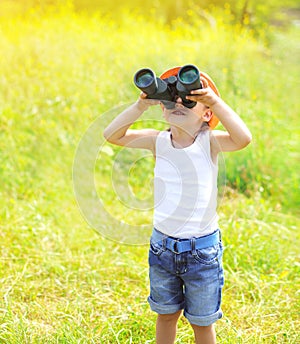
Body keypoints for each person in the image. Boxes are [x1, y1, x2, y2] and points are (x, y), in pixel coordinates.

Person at [103, 66, 252, 344]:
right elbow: (112, 135)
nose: (179, 103)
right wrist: (140, 104)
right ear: (163, 108)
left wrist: (216, 101)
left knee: (202, 323)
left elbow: (243, 138)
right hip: (162, 249)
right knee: (166, 315)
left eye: (190, 101)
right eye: (173, 100)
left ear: (207, 114)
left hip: (202, 252)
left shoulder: (210, 142)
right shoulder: (157, 141)